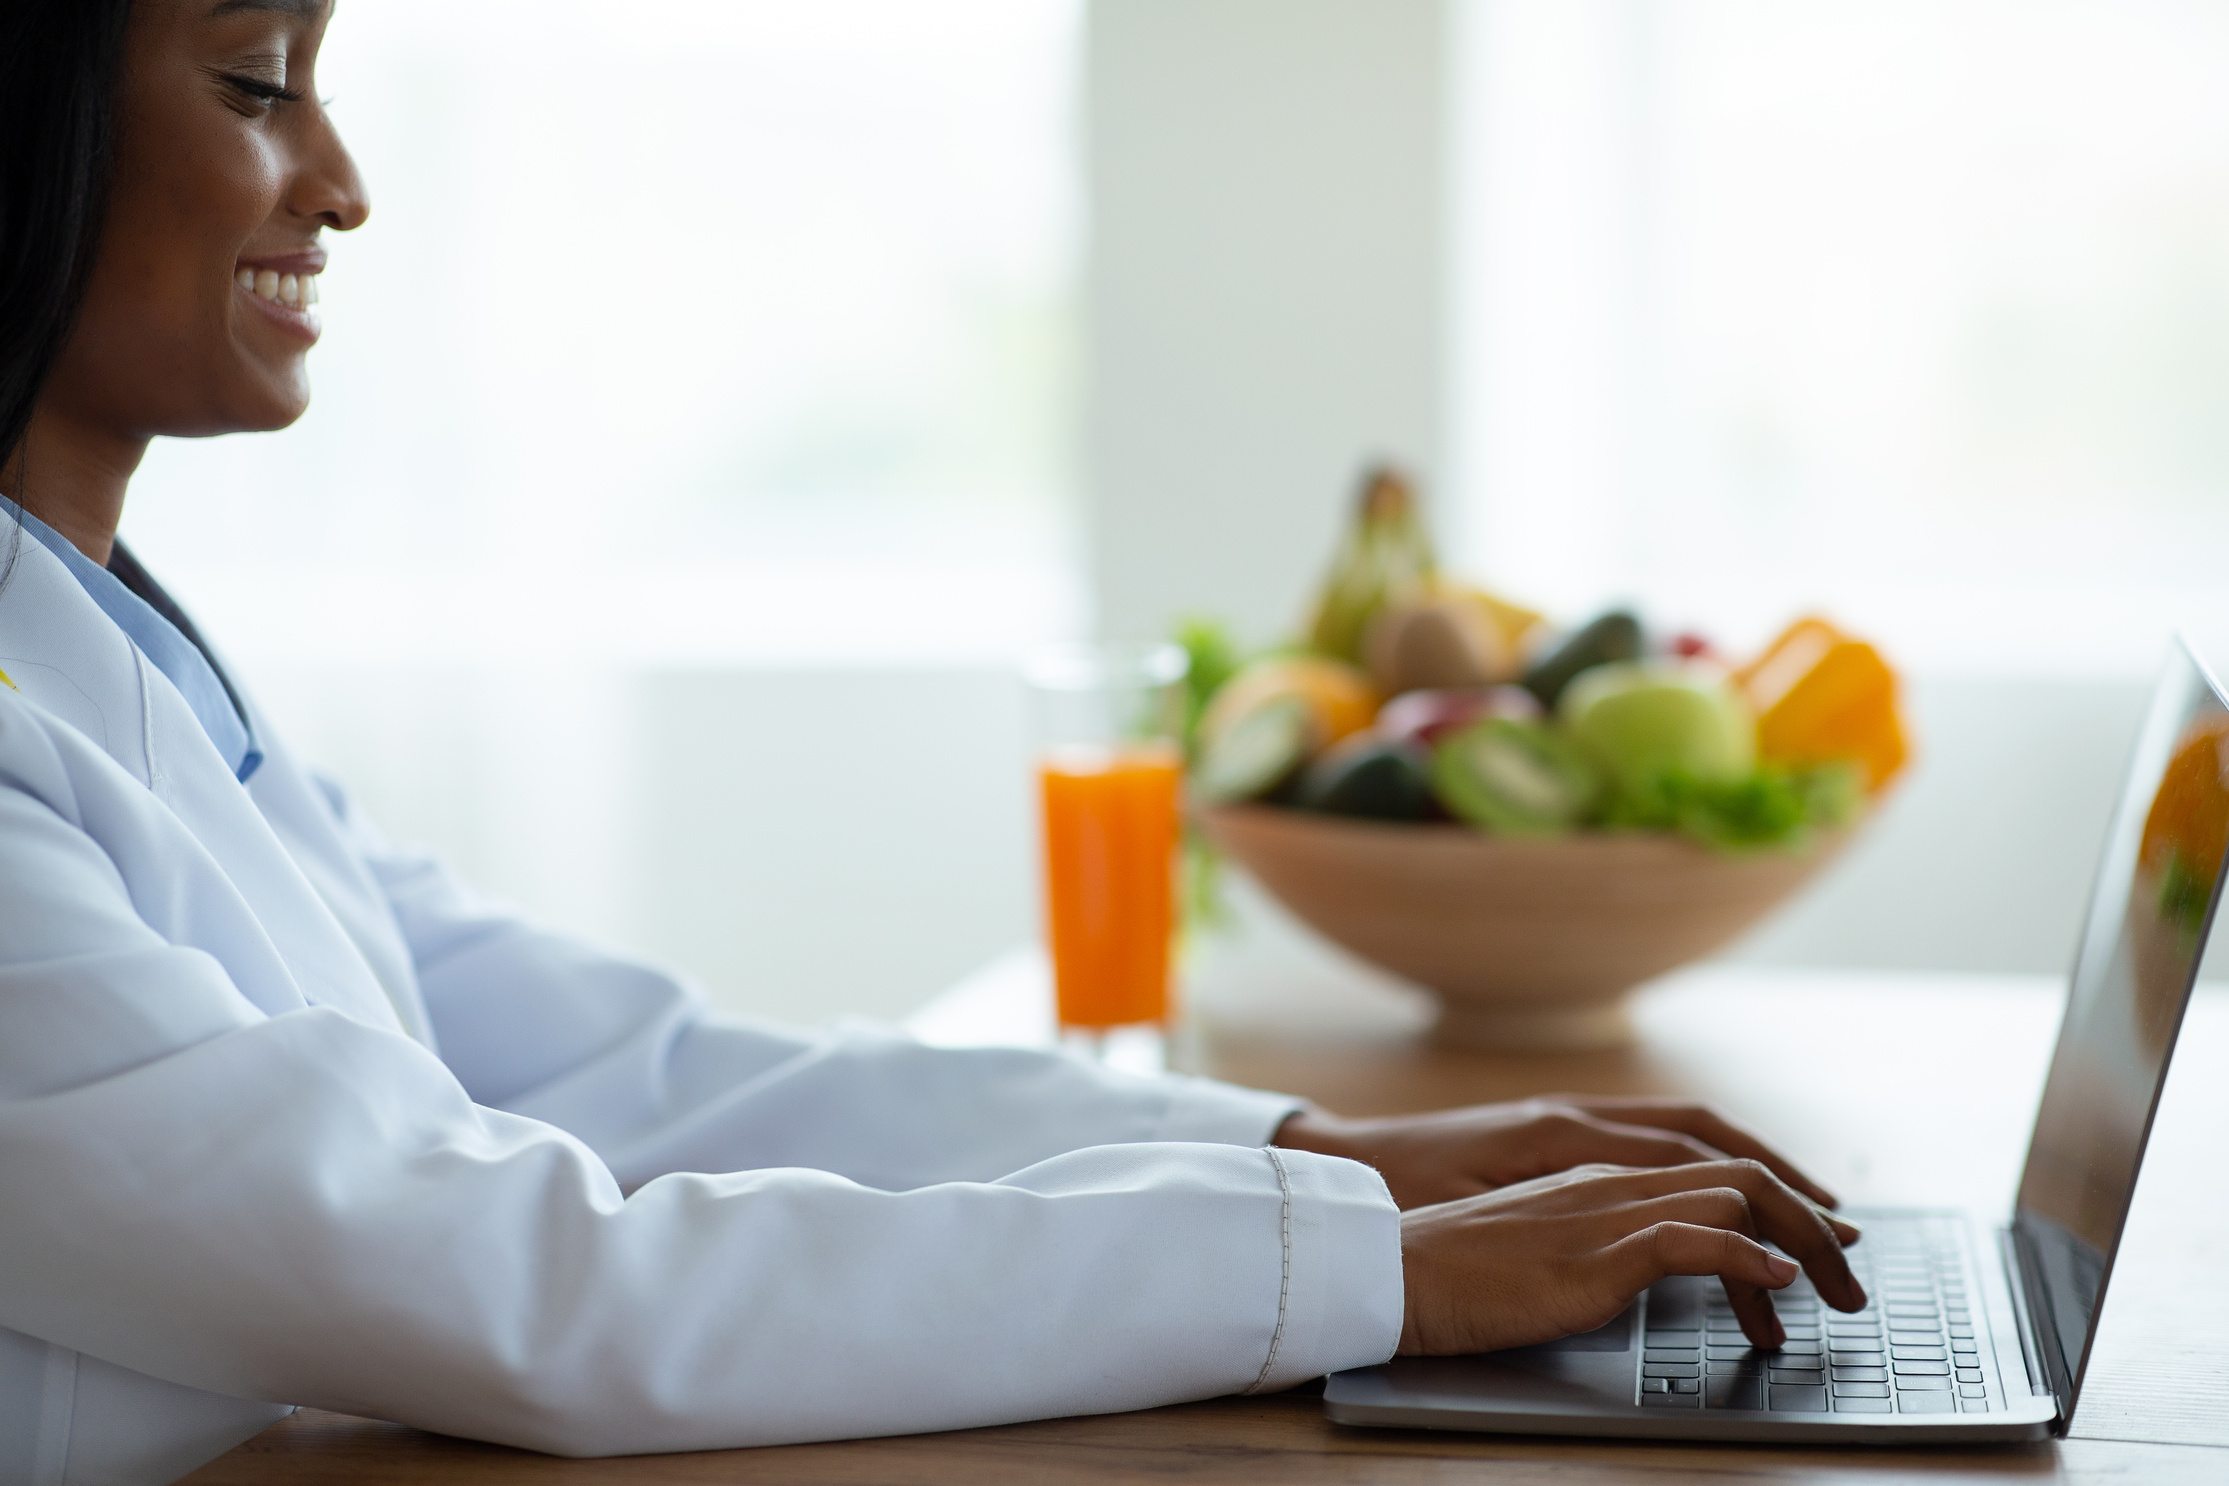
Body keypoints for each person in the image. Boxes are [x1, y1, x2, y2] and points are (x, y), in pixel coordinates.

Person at [0, 3, 1865, 1482]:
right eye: (258, 80)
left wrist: (1332, 1155)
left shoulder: (111, 638)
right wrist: (1361, 1269)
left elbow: (638, 1073)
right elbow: (530, 1288)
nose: (338, 178)